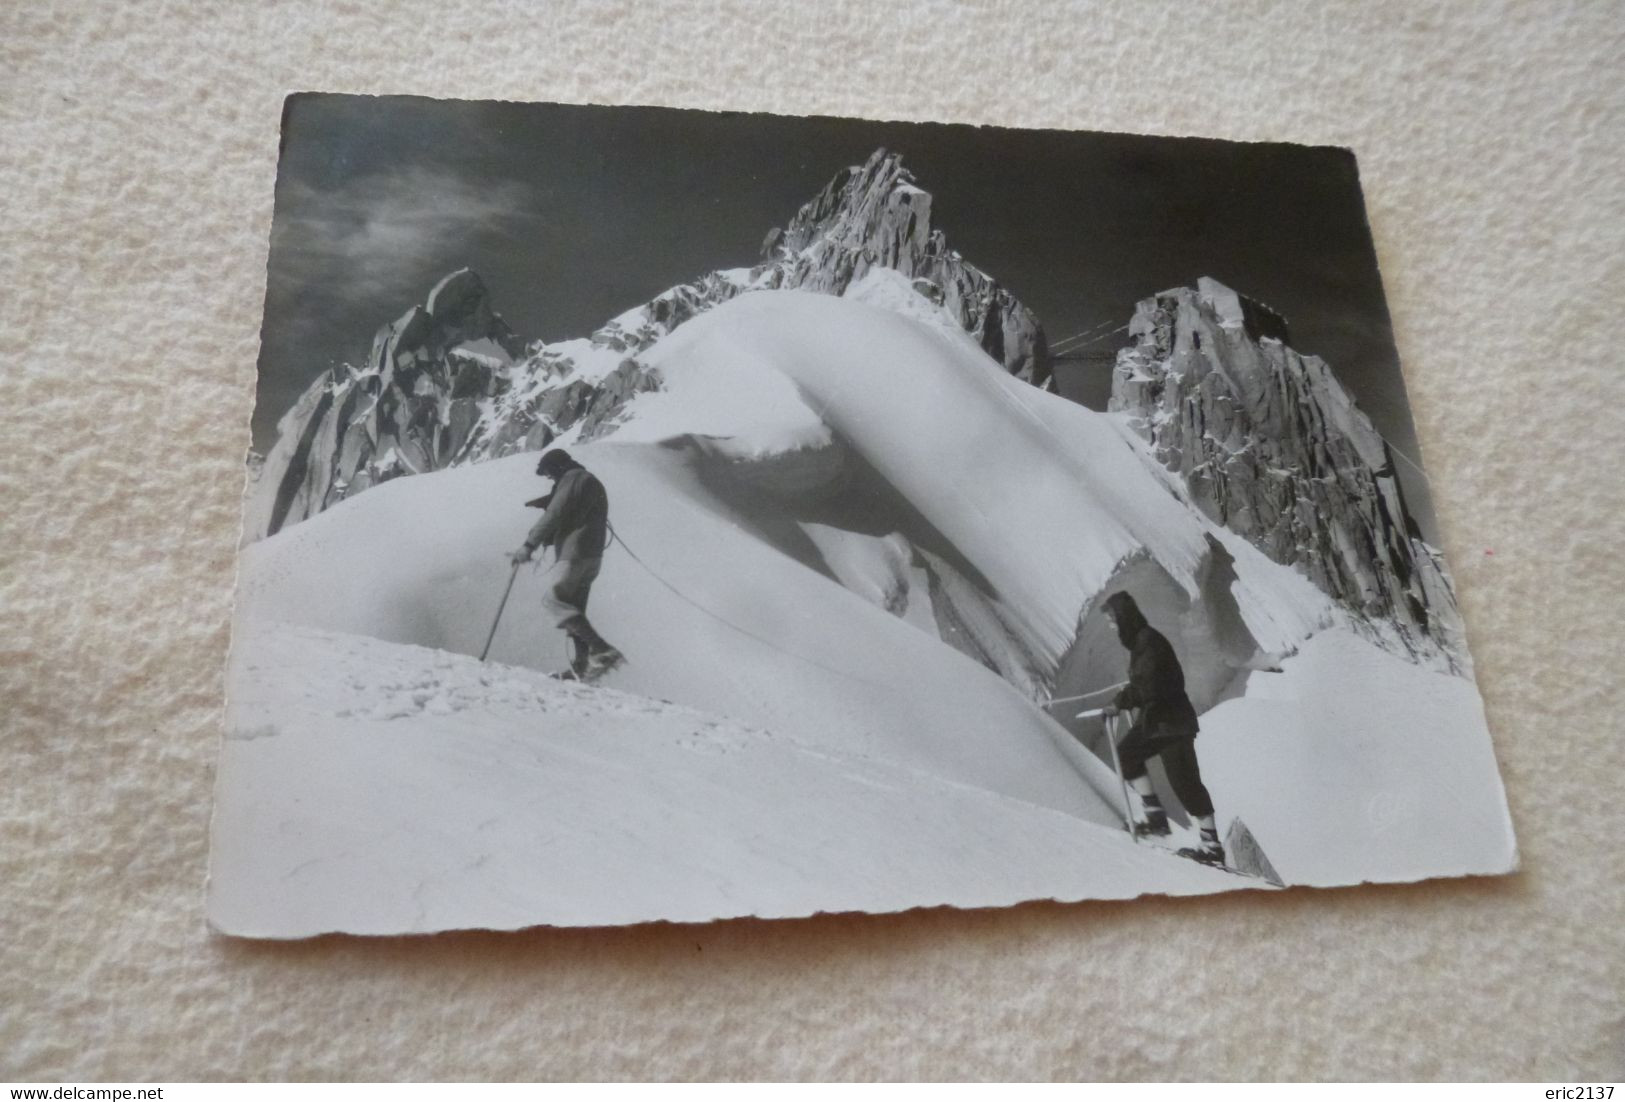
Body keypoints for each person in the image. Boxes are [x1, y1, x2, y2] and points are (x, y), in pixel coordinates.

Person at [1101, 590, 1224, 865]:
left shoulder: (1149, 643)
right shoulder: (1142, 643)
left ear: (1124, 619)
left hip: (1173, 724)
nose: (1111, 627)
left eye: (1112, 620)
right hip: (1157, 721)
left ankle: (1212, 846)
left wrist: (1119, 702)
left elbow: (1149, 686)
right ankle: (1155, 816)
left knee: (1185, 784)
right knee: (1127, 755)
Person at [511, 448, 623, 679]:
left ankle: (601, 649)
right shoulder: (586, 480)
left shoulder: (573, 479)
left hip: (575, 553)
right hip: (592, 555)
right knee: (575, 608)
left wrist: (528, 545)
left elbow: (555, 513)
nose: (550, 478)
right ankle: (583, 664)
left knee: (553, 601)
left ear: (558, 468)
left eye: (550, 474)